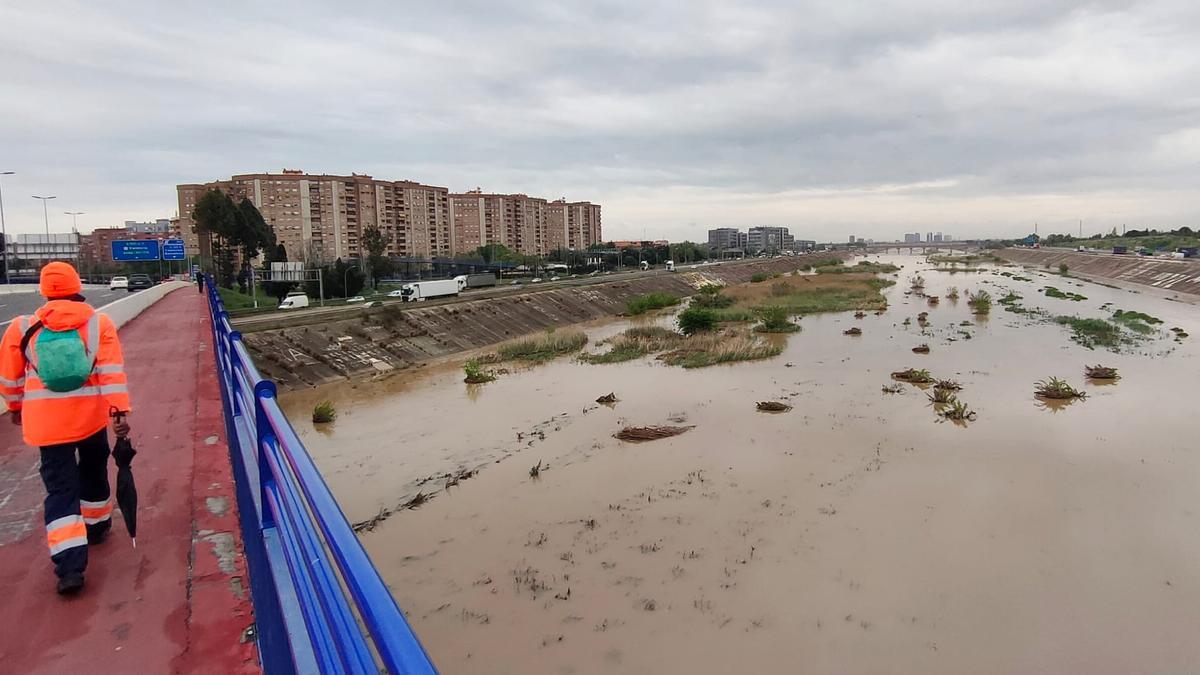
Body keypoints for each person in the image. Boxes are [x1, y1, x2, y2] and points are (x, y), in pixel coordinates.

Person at [0, 262, 131, 595]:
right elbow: (111, 373)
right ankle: (98, 526)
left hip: (46, 424)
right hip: (88, 419)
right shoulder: (97, 324)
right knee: (93, 471)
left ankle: (69, 568)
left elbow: (10, 379)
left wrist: (16, 408)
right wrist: (119, 414)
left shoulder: (22, 327)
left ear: (43, 290)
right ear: (77, 286)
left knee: (60, 491)